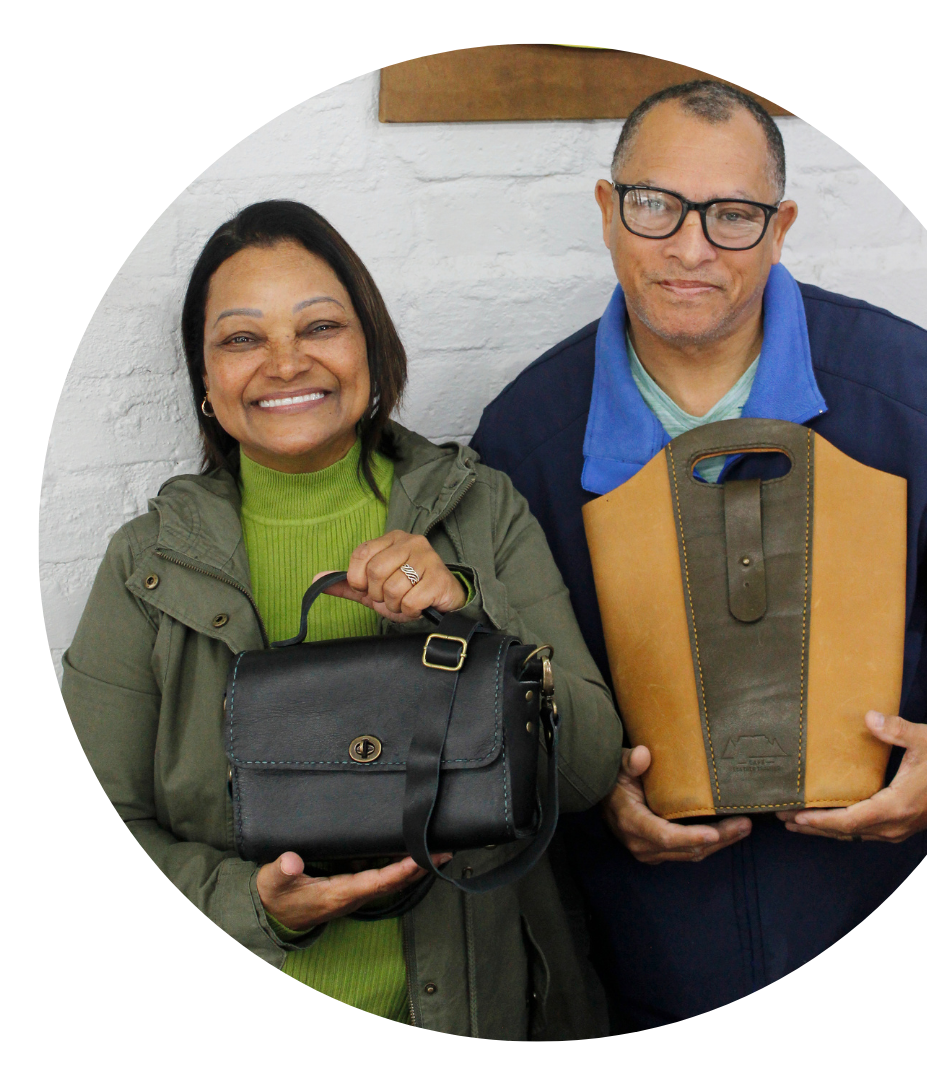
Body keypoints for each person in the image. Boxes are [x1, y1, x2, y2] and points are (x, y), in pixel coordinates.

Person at [470, 82, 927, 1028]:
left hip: (874, 886)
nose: (691, 248)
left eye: (732, 215)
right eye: (656, 205)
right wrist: (594, 785)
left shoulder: (913, 392)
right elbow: (509, 687)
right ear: (608, 213)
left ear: (781, 228)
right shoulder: (527, 435)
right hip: (652, 962)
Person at [62, 200, 623, 1039]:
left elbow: (585, 772)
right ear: (206, 384)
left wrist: (466, 613)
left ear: (372, 349)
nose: (285, 364)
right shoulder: (146, 564)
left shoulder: (479, 509)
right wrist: (257, 907)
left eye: (319, 326)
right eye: (242, 338)